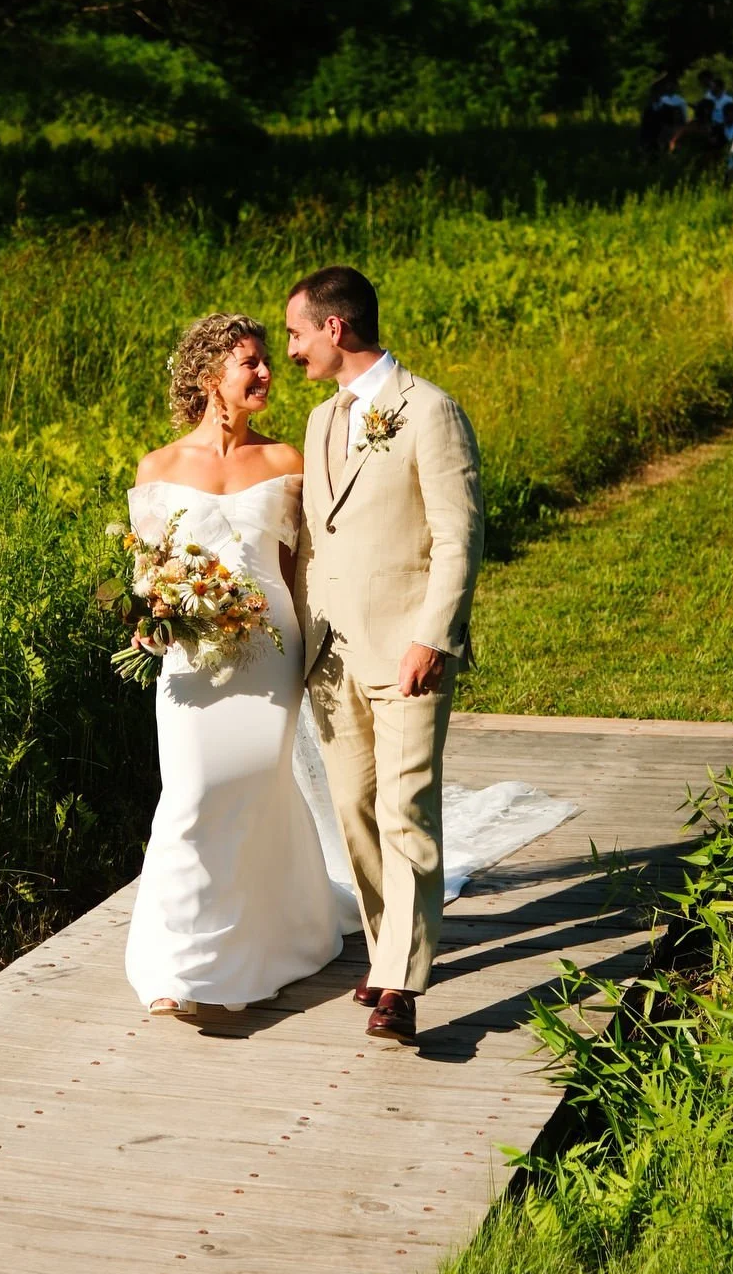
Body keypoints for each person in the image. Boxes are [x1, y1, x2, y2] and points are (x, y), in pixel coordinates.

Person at [124, 316, 349, 1022]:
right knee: (190, 796)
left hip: (268, 651)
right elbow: (149, 574)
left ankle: (267, 938)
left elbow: (300, 567)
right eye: (249, 362)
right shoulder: (158, 468)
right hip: (191, 658)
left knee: (256, 788)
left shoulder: (287, 461)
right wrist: (154, 620)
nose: (265, 374)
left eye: (265, 362)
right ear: (206, 376)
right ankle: (178, 967)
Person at [287, 266, 486, 1046]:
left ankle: (402, 983)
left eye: (298, 333)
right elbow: (312, 540)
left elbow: (458, 536)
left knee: (407, 811)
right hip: (332, 661)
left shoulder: (430, 411)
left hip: (408, 652)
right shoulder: (319, 421)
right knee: (356, 815)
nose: (293, 350)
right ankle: (384, 948)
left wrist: (433, 636)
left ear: (335, 328)